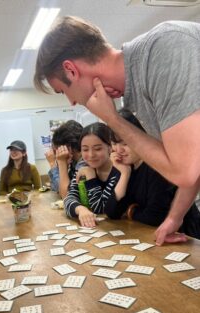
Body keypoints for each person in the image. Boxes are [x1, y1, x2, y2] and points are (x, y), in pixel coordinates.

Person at [34, 16, 200, 245]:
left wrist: (111, 118)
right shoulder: (138, 94)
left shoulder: (164, 48)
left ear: (71, 70)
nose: (71, 102)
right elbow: (194, 160)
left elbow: (184, 171)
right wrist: (175, 217)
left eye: (63, 91)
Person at [105, 109, 200, 239]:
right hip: (149, 235)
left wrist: (129, 211)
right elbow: (111, 212)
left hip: (185, 237)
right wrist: (124, 175)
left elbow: (155, 218)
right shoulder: (123, 166)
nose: (119, 150)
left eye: (125, 143)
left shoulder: (157, 166)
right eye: (114, 143)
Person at [64, 122, 120, 228]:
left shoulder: (117, 172)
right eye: (85, 149)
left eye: (98, 149)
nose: (91, 155)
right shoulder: (82, 169)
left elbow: (100, 209)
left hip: (120, 229)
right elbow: (69, 198)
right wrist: (80, 209)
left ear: (110, 147)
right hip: (96, 229)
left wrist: (91, 178)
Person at [46, 120, 85, 198]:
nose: (56, 154)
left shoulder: (84, 163)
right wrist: (64, 167)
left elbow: (67, 196)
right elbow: (57, 189)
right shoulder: (74, 162)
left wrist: (54, 164)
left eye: (57, 149)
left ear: (68, 148)